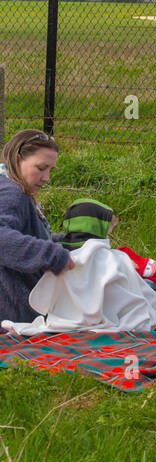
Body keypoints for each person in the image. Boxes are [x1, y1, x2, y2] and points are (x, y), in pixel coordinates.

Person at [0, 129, 73, 324]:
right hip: (16, 313)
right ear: (17, 160)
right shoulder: (12, 194)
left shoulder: (12, 188)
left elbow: (26, 234)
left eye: (50, 170)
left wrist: (68, 241)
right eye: (41, 168)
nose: (47, 178)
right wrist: (52, 255)